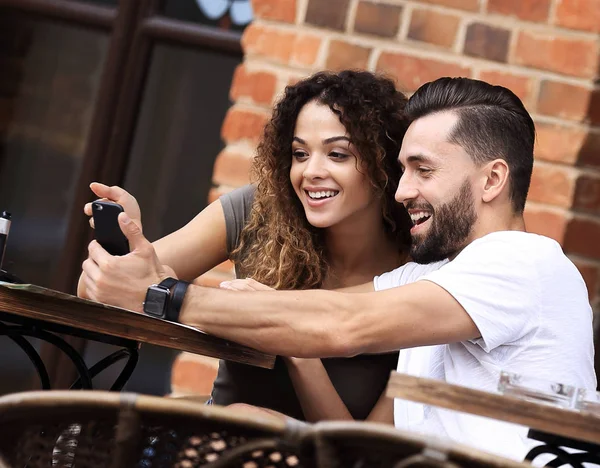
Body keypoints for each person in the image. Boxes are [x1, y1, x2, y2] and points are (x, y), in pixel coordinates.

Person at [79, 76, 596, 461]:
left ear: (492, 180)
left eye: (423, 170)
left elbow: (341, 325)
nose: (402, 190)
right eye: (402, 170)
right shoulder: (435, 282)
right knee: (241, 426)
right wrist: (140, 262)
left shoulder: (522, 262)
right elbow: (315, 310)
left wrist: (163, 293)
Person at [78, 70, 414, 422]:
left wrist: (297, 345)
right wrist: (127, 248)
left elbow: (362, 456)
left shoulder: (423, 275)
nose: (311, 171)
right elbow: (94, 293)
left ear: (384, 164)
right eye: (299, 153)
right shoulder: (259, 214)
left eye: (338, 155)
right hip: (217, 443)